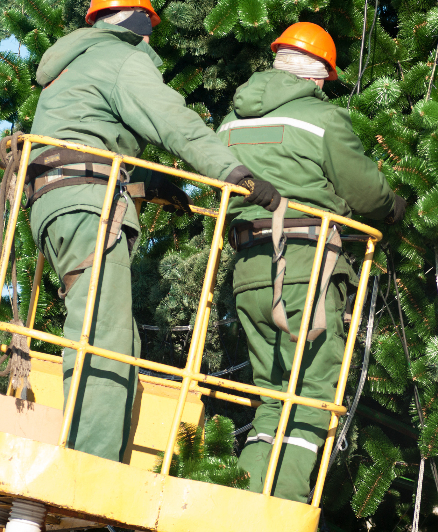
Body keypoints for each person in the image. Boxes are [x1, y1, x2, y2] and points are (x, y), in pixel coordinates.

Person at [26, 0, 281, 464]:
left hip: (54, 204)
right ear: (139, 25)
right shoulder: (122, 57)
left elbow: (88, 134)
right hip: (91, 206)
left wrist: (150, 184)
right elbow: (175, 122)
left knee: (100, 331)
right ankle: (90, 468)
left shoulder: (73, 64)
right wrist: (234, 172)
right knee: (107, 341)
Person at [218, 22, 406, 502]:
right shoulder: (321, 119)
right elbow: (364, 192)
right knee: (312, 394)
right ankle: (282, 513)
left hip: (247, 271)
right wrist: (394, 208)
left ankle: (239, 506)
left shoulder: (232, 120)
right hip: (306, 265)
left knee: (270, 397)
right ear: (321, 76)